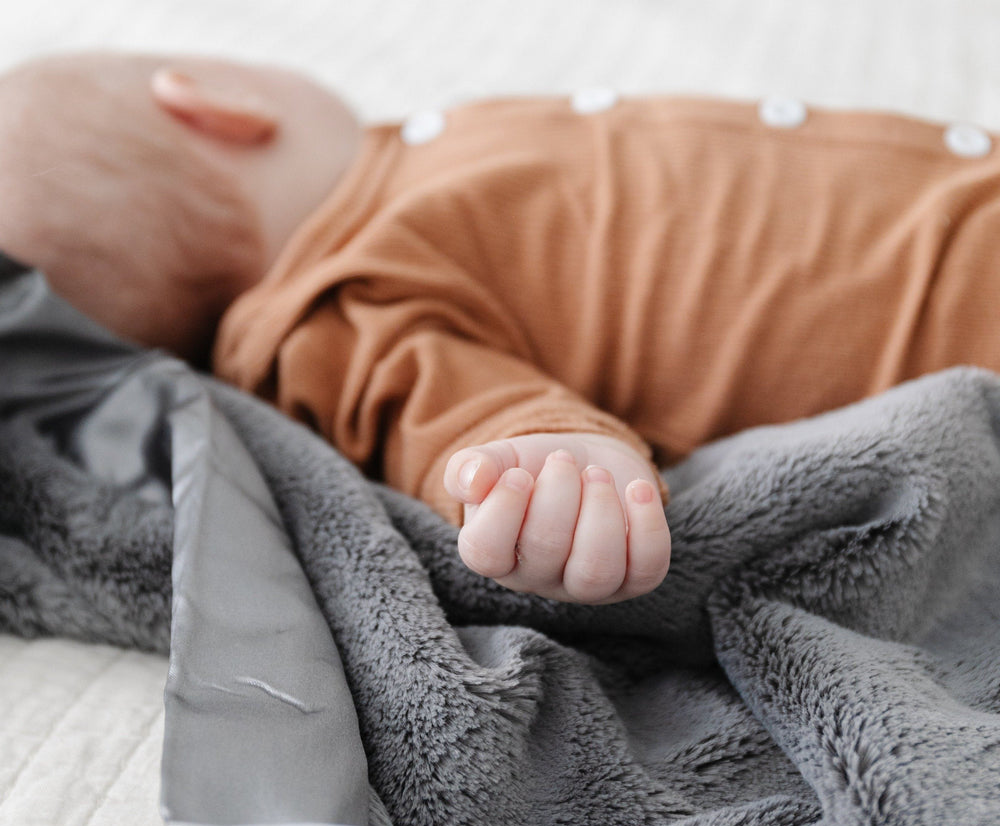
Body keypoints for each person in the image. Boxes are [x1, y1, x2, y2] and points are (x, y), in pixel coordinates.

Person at [3, 52, 1000, 604]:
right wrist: (540, 465)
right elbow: (455, 413)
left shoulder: (413, 176)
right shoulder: (325, 309)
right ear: (214, 102)